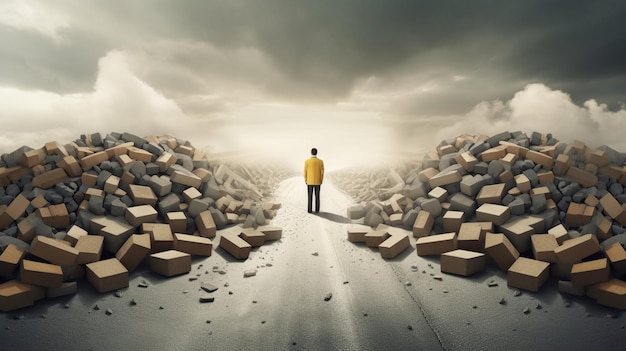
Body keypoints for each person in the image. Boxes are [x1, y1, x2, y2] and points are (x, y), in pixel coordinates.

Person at [304, 147, 324, 213]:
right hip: (318, 181)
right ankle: (317, 210)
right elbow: (322, 172)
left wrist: (306, 180)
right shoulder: (320, 161)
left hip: (309, 181)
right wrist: (321, 180)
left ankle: (309, 210)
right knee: (317, 196)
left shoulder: (307, 161)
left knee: (309, 196)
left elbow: (305, 171)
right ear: (316, 153)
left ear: (311, 153)